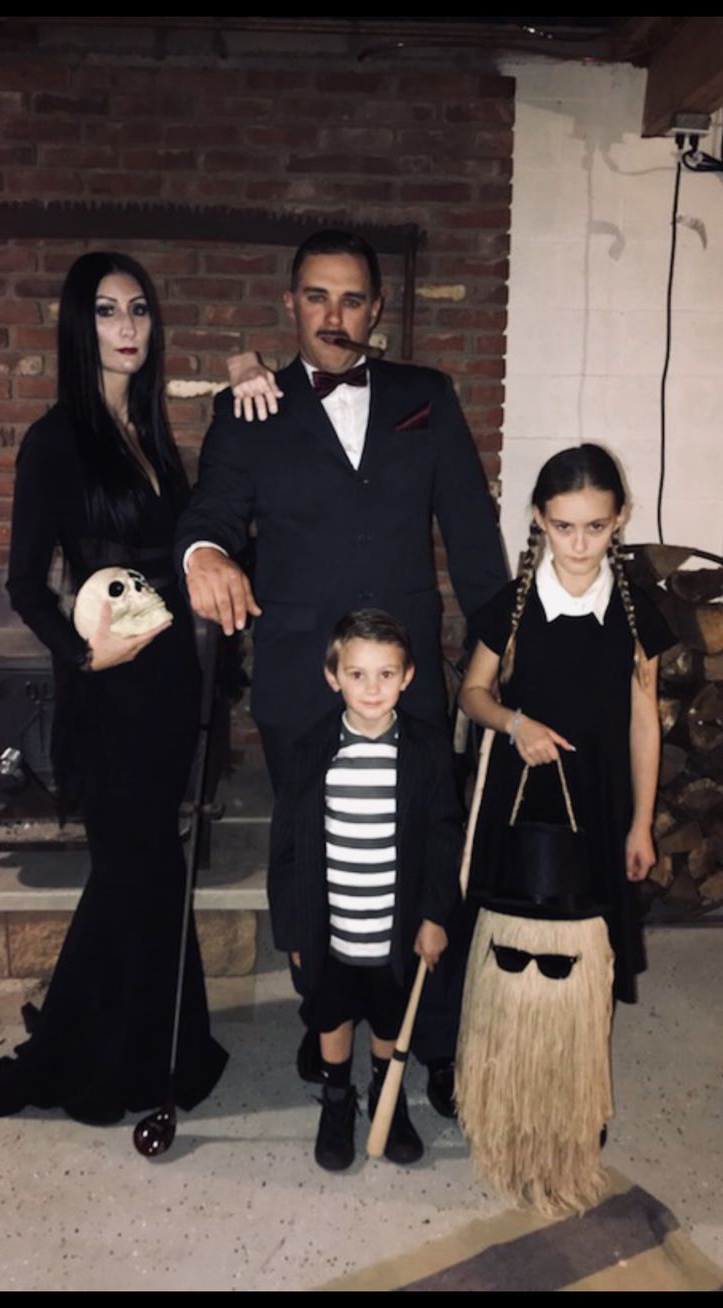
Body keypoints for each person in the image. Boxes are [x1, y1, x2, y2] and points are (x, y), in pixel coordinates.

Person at [175, 228, 507, 1112]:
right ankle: (330, 1041)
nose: (335, 314)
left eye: (353, 298)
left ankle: (428, 1047)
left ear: (377, 311)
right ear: (292, 304)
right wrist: (205, 552)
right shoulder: (250, 407)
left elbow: (473, 539)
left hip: (409, 686)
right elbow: (209, 512)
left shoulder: (424, 397)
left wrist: (509, 645)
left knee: (428, 864)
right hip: (300, 684)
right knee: (322, 866)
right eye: (318, 296)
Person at [0, 252, 227, 1124]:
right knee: (140, 869)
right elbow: (22, 585)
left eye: (138, 311)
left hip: (166, 683)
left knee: (146, 869)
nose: (127, 328)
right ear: (77, 327)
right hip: (107, 692)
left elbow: (185, 546)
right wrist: (85, 660)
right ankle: (118, 1062)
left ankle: (137, 1046)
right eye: (105, 312)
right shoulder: (57, 440)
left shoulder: (156, 433)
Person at [458, 442, 675, 1005]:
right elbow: (471, 695)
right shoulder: (512, 605)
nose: (579, 544)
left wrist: (641, 823)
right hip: (520, 798)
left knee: (585, 954)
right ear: (539, 519)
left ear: (620, 518)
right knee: (513, 951)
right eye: (563, 526)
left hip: (602, 801)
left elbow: (644, 724)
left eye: (596, 527)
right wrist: (514, 724)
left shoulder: (635, 614)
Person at [268, 610, 463, 1170]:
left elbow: (443, 838)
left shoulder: (425, 752)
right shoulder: (311, 753)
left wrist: (434, 916)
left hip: (394, 930)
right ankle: (336, 1098)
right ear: (334, 677)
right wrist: (293, 930)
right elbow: (285, 851)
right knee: (331, 1014)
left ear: (408, 676)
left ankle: (386, 1090)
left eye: (386, 674)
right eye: (358, 674)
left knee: (386, 1015)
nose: (372, 688)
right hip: (329, 927)